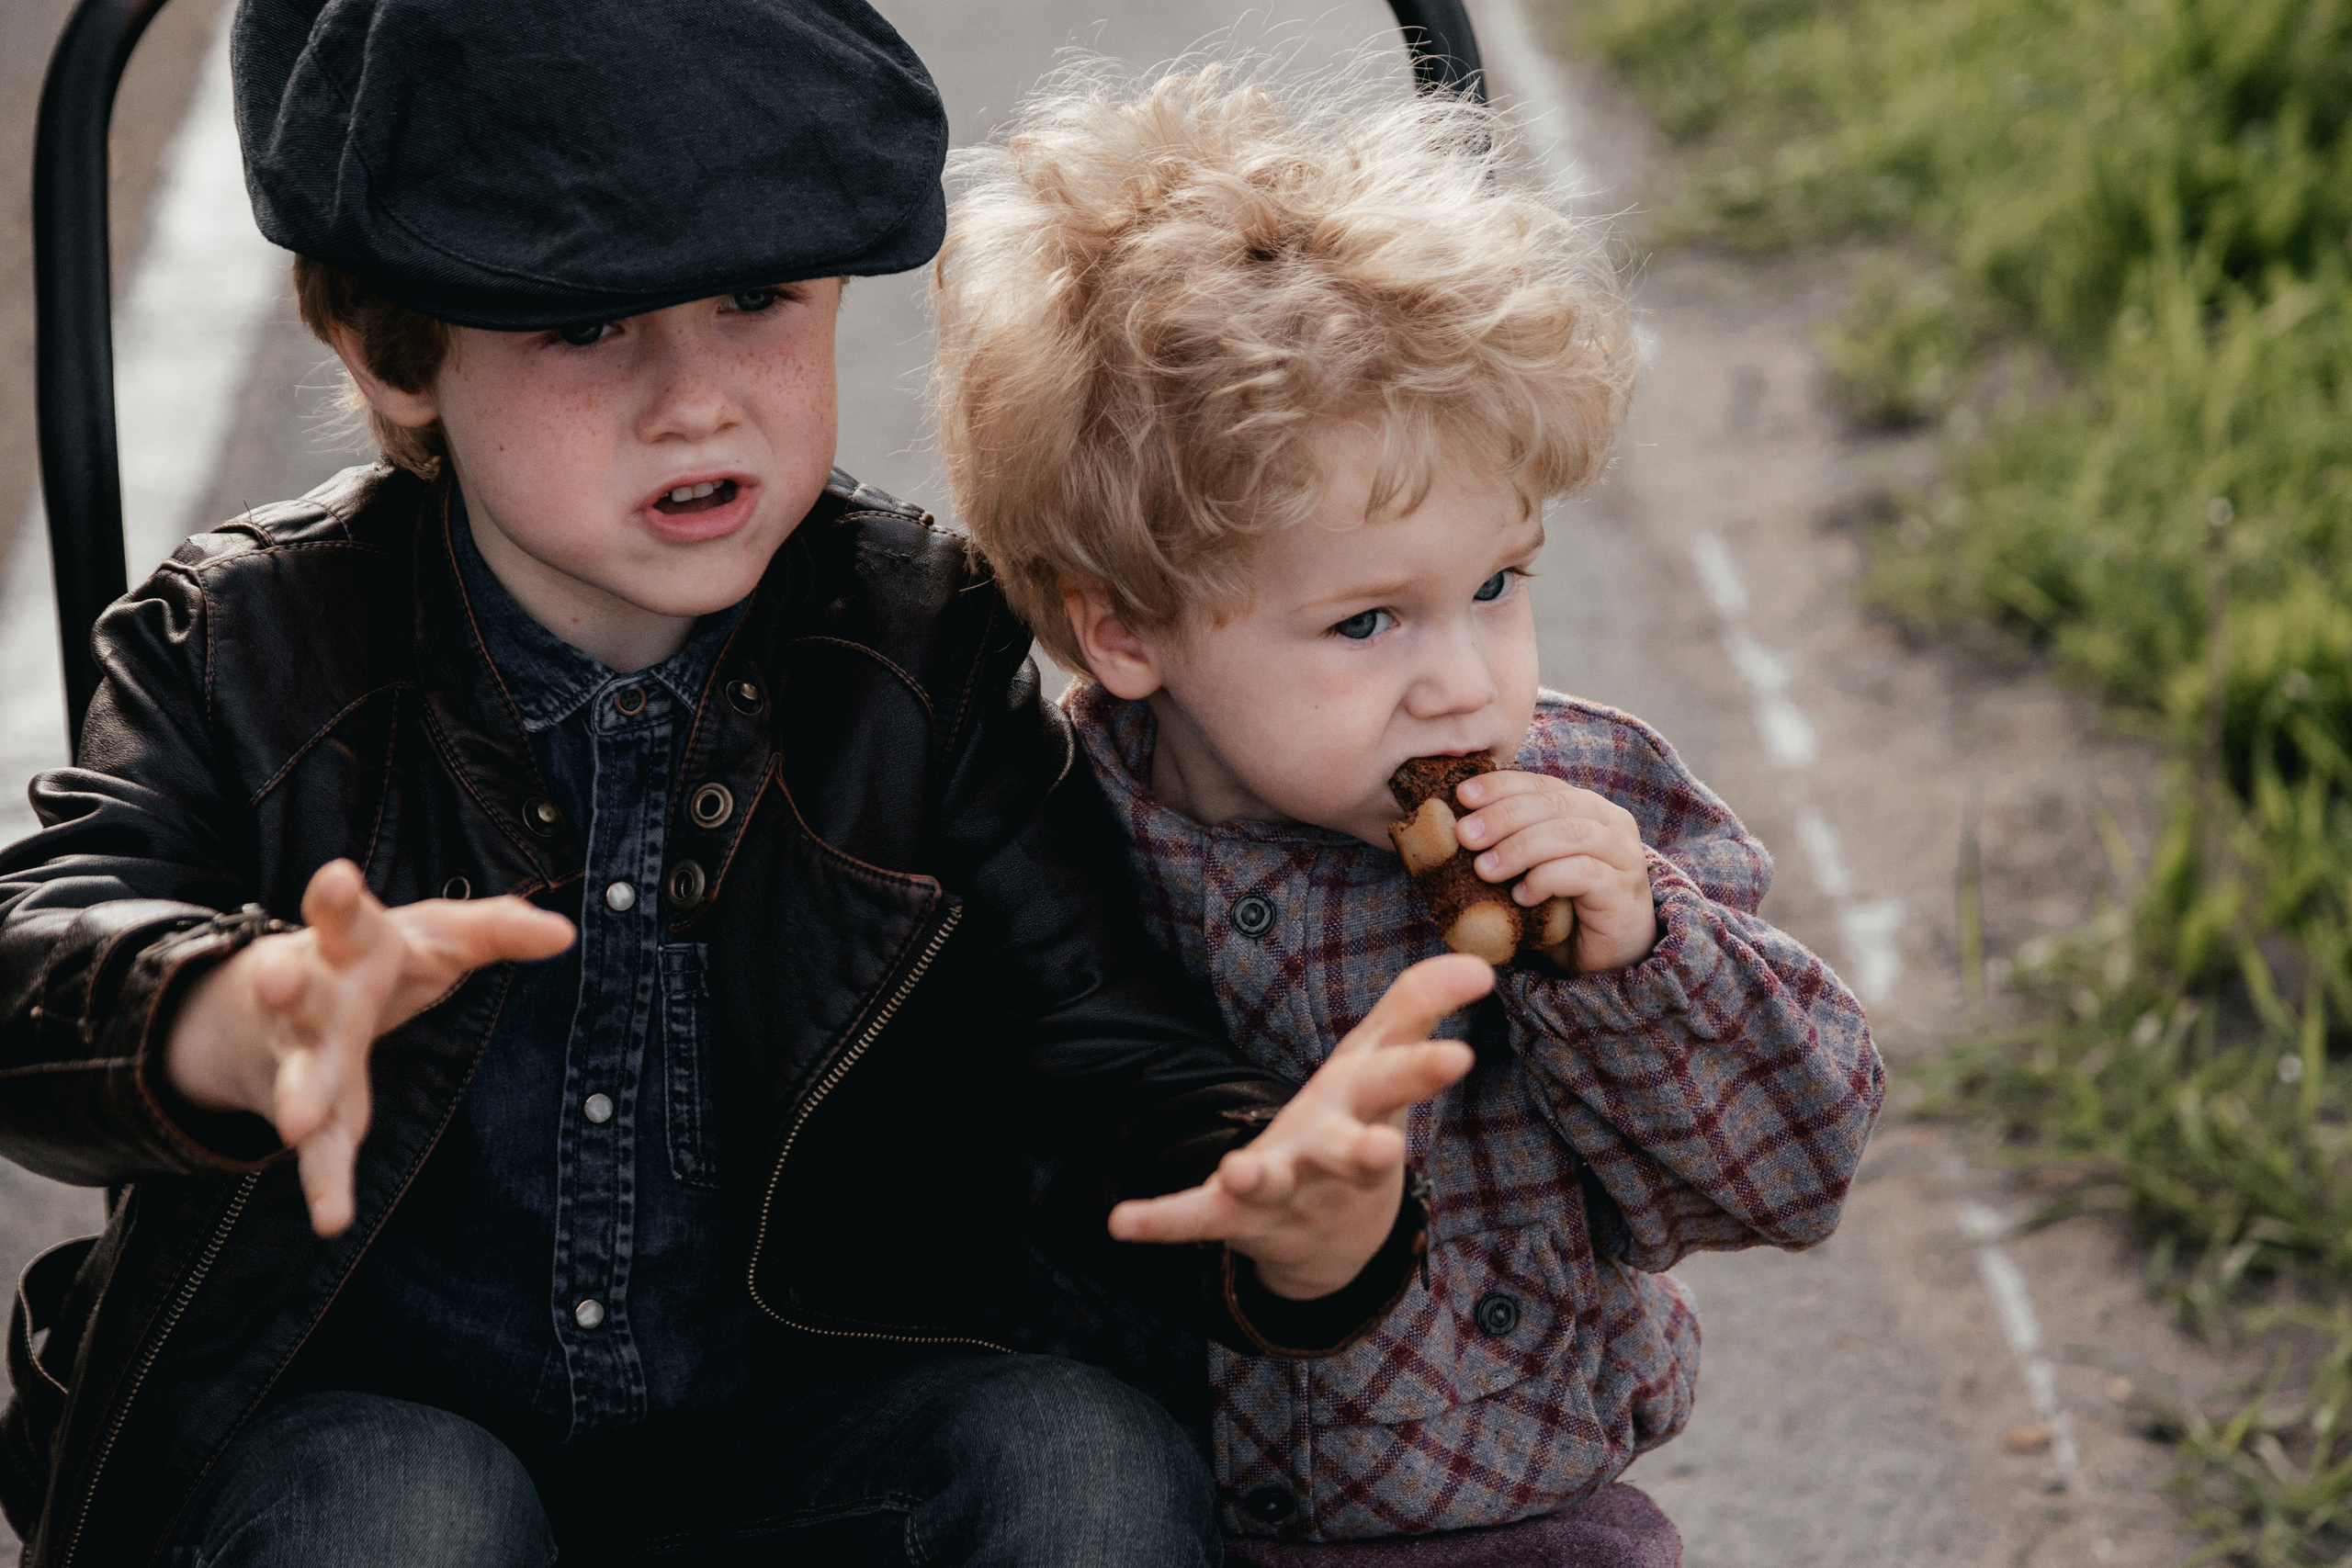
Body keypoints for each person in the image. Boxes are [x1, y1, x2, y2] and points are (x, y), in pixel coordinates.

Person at [0, 6, 1493, 1566]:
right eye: (586, 325)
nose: (695, 397)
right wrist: (220, 1015)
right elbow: (42, 942)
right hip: (368, 1428)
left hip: (796, 1435)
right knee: (401, 1509)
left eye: (757, 297)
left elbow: (1090, 1042)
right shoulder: (244, 644)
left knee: (1076, 1455)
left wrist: (1276, 1200)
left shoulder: (917, 644)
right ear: (394, 349)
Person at [935, 58, 1887, 1544]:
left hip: (1512, 1520)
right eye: (1367, 622)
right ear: (1124, 629)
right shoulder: (1034, 829)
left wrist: (1635, 962)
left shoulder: (1591, 805)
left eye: (1498, 585)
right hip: (1158, 1504)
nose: (1462, 685)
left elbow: (1795, 1168)